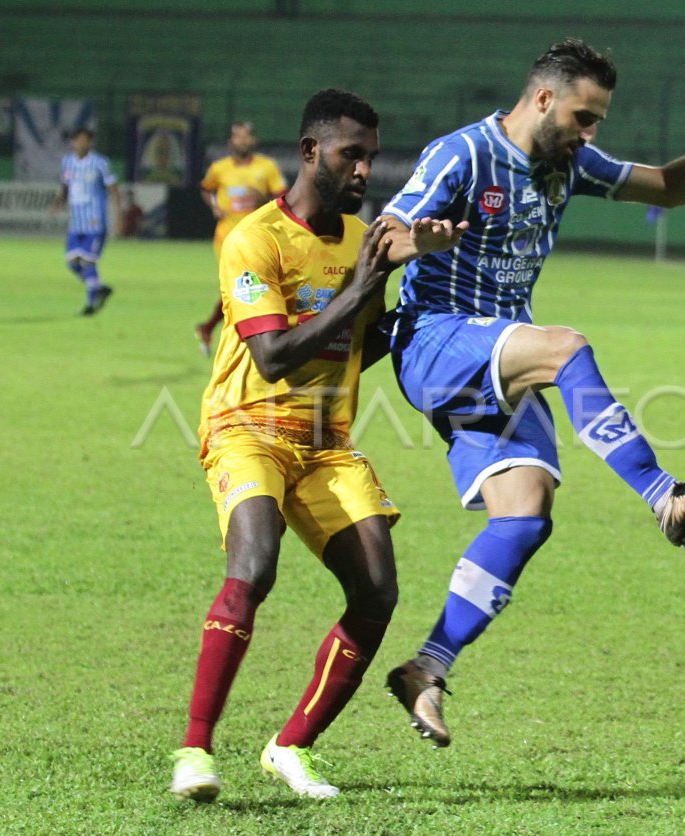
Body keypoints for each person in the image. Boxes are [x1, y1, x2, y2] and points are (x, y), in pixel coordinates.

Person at [376, 38, 685, 748]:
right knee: (567, 347)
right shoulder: (461, 154)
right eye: (585, 117)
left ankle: (426, 667)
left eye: (599, 122)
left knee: (525, 515)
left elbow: (668, 187)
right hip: (435, 340)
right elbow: (386, 233)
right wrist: (416, 241)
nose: (592, 134)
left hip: (498, 356)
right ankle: (661, 496)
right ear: (545, 99)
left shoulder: (570, 162)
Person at [169, 89, 462, 802]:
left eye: (371, 155)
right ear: (309, 153)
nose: (364, 168)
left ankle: (291, 746)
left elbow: (362, 345)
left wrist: (432, 311)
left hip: (327, 439)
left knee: (377, 592)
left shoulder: (364, 237)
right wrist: (365, 286)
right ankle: (195, 752)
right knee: (255, 565)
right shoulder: (254, 238)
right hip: (248, 426)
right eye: (349, 154)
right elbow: (273, 358)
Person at [195, 122, 288, 355]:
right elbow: (206, 188)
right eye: (238, 137)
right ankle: (248, 337)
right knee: (241, 286)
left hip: (256, 236)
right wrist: (214, 205)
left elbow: (283, 195)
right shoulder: (219, 168)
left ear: (253, 141)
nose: (242, 141)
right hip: (226, 237)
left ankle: (210, 329)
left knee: (245, 287)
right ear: (230, 142)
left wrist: (265, 200)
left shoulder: (266, 167)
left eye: (246, 137)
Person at [51, 127, 121, 316]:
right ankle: (99, 288)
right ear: (73, 142)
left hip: (95, 222)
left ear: (91, 143)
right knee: (72, 262)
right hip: (76, 223)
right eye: (78, 140)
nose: (81, 144)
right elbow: (65, 186)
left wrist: (119, 215)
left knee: (88, 262)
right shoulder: (67, 163)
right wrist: (58, 202)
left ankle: (91, 305)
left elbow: (113, 189)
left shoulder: (99, 163)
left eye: (85, 140)